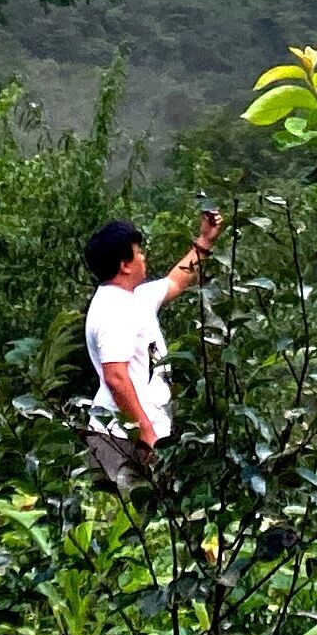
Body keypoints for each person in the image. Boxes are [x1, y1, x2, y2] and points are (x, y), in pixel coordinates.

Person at [81, 206, 220, 491]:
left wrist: (204, 241)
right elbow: (115, 377)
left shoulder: (135, 298)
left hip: (139, 433)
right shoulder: (112, 310)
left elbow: (176, 280)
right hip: (121, 438)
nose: (144, 256)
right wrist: (146, 433)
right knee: (128, 523)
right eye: (138, 251)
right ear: (125, 264)